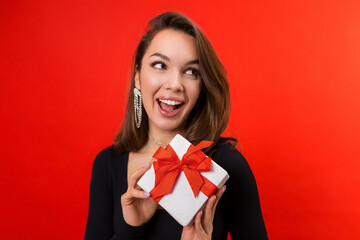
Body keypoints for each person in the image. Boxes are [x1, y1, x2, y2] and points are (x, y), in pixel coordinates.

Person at [84, 12, 268, 240]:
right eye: (160, 65)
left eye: (191, 72)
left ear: (202, 86)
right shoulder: (107, 165)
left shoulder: (227, 164)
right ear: (138, 77)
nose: (175, 84)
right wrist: (132, 228)